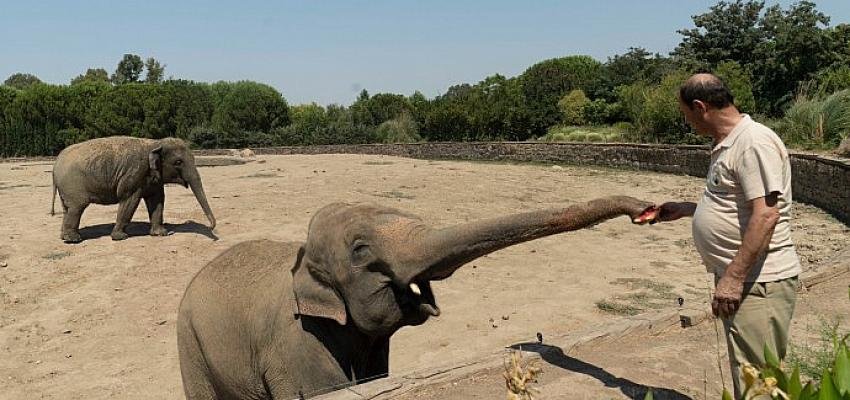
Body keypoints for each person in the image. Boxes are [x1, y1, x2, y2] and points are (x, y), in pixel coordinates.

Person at [656, 73, 801, 398]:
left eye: (685, 113)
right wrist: (689, 209)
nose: (687, 121)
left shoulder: (753, 143)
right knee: (749, 373)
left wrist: (733, 278)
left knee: (760, 383)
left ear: (700, 106)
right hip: (746, 281)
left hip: (757, 282)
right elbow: (741, 206)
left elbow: (766, 215)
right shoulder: (730, 144)